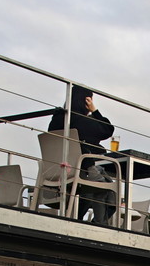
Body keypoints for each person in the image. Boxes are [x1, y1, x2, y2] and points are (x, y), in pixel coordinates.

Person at [48, 86, 116, 223]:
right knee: (108, 190)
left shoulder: (56, 120)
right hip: (79, 172)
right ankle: (99, 224)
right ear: (86, 101)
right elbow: (107, 130)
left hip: (54, 172)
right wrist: (94, 110)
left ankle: (79, 219)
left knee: (92, 185)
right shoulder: (82, 120)